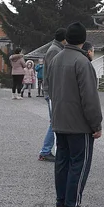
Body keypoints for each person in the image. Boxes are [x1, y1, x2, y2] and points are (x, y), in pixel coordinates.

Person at [46, 22, 103, 207]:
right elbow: (89, 97)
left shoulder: (56, 59)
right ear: (83, 40)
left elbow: (49, 88)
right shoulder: (82, 62)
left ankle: (60, 204)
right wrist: (96, 124)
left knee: (62, 163)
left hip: (59, 120)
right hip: (79, 124)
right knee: (79, 165)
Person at [39, 28, 66, 162]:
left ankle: (46, 150)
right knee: (54, 122)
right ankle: (45, 150)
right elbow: (53, 73)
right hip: (52, 92)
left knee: (54, 122)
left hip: (52, 91)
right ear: (64, 39)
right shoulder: (55, 50)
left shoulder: (56, 48)